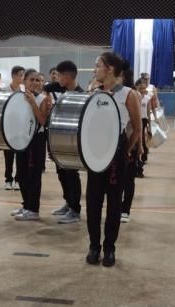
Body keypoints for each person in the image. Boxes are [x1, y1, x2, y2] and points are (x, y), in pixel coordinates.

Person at [85, 53, 142, 267]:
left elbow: (137, 128)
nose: (94, 70)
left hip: (117, 154)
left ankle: (109, 248)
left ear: (109, 69)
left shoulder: (128, 94)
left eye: (97, 66)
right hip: (95, 153)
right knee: (92, 202)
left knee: (114, 204)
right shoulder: (93, 93)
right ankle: (93, 246)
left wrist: (125, 150)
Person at [46, 60, 84, 224]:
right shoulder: (60, 89)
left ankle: (75, 210)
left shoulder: (80, 95)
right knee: (62, 174)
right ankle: (68, 203)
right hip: (58, 140)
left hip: (72, 142)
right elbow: (46, 87)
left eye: (60, 75)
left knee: (71, 175)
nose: (57, 78)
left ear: (67, 77)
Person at [12, 69, 51, 221]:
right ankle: (26, 205)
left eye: (38, 80)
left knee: (33, 176)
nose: (35, 83)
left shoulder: (44, 99)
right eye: (31, 80)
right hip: (21, 138)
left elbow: (42, 120)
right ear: (24, 81)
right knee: (21, 174)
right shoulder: (18, 97)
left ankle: (33, 209)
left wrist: (33, 102)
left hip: (36, 141)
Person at [121, 77, 146, 222]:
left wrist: (139, 145)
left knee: (128, 178)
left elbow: (139, 125)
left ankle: (126, 209)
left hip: (130, 142)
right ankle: (118, 207)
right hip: (116, 143)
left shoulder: (133, 95)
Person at [1, 66, 25, 190]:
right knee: (8, 155)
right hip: (7, 127)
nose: (22, 77)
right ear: (13, 76)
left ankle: (18, 179)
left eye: (23, 75)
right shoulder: (4, 90)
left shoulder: (23, 91)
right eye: (21, 75)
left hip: (20, 128)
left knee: (20, 155)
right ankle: (8, 179)